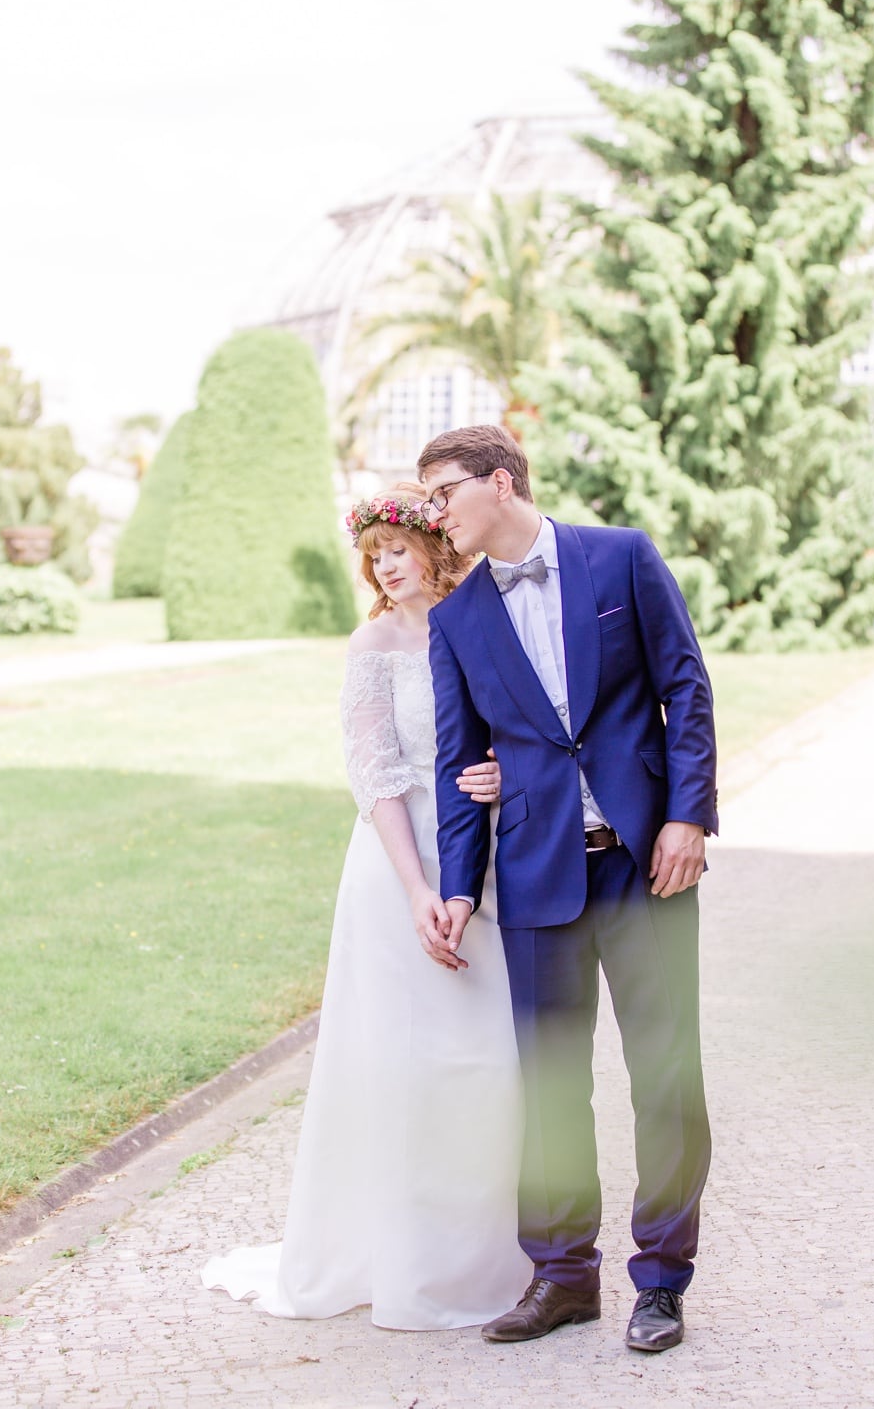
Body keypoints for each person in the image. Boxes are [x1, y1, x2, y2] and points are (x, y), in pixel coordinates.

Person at [415, 425, 717, 1354]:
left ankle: (661, 1280)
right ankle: (562, 1275)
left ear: (500, 482)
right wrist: (459, 887)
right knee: (549, 1085)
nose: (435, 514)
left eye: (443, 494)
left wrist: (687, 815)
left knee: (665, 1076)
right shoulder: (455, 619)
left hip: (643, 865)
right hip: (540, 875)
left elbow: (685, 686)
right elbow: (459, 764)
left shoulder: (620, 558)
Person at [201, 484, 530, 1329]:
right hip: (398, 867)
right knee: (400, 1060)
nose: (385, 567)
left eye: (397, 549)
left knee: (486, 1057)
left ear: (433, 547)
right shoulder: (373, 641)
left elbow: (527, 729)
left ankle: (486, 1252)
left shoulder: (479, 619)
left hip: (484, 855)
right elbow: (375, 773)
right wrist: (418, 887)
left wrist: (502, 775)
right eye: (374, 555)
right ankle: (397, 1257)